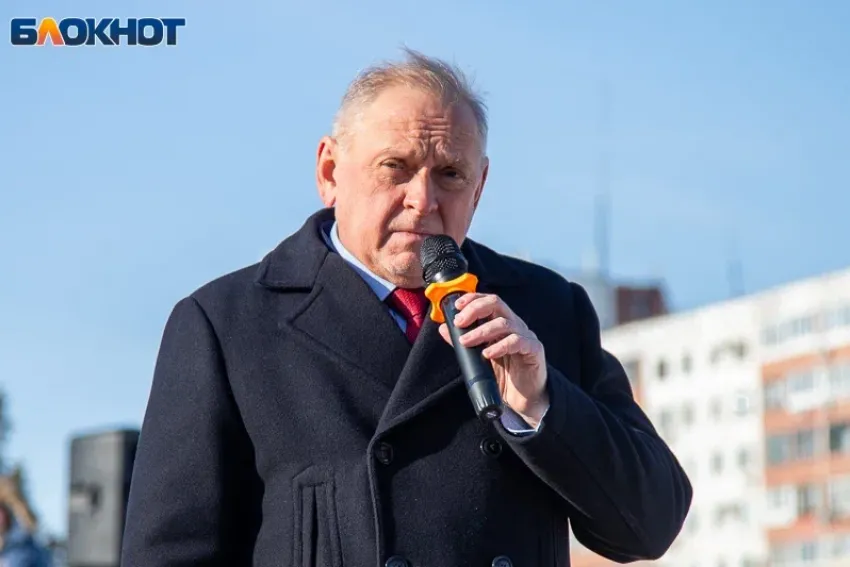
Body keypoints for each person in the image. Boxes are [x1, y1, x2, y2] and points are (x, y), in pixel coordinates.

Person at [120, 48, 692, 567]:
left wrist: (542, 403)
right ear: (329, 172)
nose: (423, 200)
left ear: (479, 187)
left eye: (450, 174)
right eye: (394, 167)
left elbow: (651, 525)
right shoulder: (228, 325)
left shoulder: (546, 310)